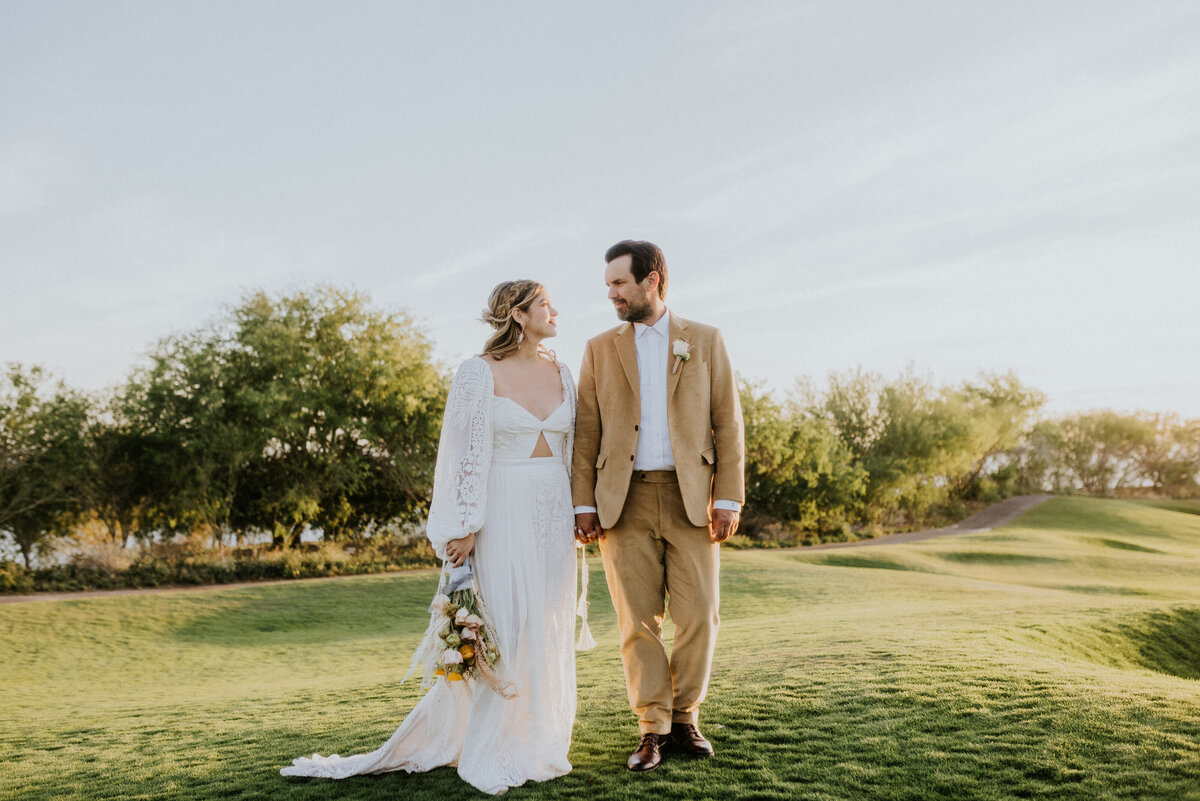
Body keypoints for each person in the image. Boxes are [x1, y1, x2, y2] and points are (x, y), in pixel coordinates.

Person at [281, 280, 581, 795]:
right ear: (517, 313)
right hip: (501, 510)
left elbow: (573, 448)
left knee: (545, 623)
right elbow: (460, 453)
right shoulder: (476, 373)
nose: (556, 310)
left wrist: (579, 513)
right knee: (506, 623)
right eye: (545, 303)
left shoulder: (563, 371)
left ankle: (540, 734)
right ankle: (494, 741)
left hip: (552, 511)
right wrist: (460, 527)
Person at [572, 240, 744, 772]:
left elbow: (727, 423)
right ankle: (652, 727)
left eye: (619, 284)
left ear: (653, 281)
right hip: (622, 501)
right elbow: (586, 434)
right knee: (636, 621)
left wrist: (728, 495)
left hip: (693, 497)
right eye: (608, 286)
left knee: (700, 616)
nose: (612, 295)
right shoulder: (600, 348)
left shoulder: (706, 340)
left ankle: (686, 717)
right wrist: (582, 504)